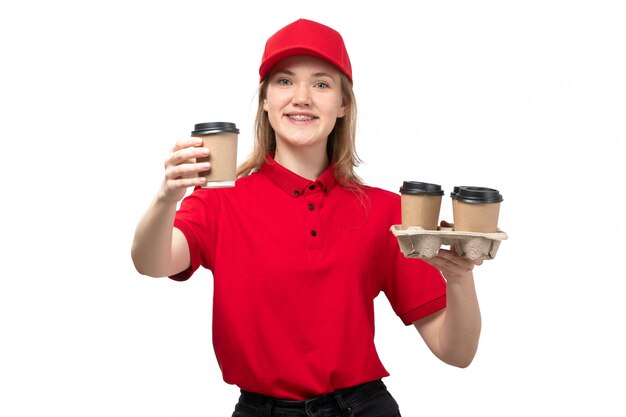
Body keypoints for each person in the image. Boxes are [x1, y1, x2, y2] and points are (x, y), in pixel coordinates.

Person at [131, 18, 482, 417]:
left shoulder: (387, 212)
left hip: (360, 408)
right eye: (284, 82)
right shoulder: (219, 202)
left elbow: (457, 352)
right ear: (265, 100)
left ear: (343, 104)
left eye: (321, 84)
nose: (301, 97)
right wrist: (166, 198)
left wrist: (459, 277)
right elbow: (151, 263)